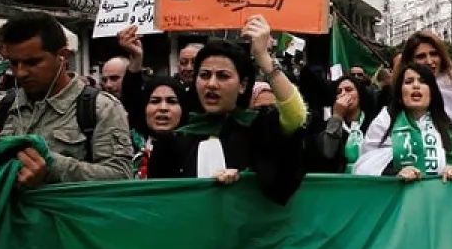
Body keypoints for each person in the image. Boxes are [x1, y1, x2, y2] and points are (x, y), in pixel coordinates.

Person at [146, 18, 308, 204]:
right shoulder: (173, 141)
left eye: (223, 76)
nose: (212, 84)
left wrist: (263, 57)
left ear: (242, 85)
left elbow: (296, 116)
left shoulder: (257, 129)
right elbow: (159, 206)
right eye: (205, 75)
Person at [0, 13, 134, 183]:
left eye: (33, 62)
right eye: (13, 63)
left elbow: (121, 177)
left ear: (62, 56)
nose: (21, 72)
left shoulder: (101, 108)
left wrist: (52, 167)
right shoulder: (0, 108)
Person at [371, 61, 452, 183]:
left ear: (432, 92)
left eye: (422, 81)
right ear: (400, 92)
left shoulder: (449, 125)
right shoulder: (385, 121)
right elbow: (367, 165)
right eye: (409, 82)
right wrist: (395, 173)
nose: (416, 86)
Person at [314, 76, 371, 174]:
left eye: (349, 90)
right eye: (338, 92)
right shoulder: (328, 125)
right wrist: (337, 116)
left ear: (359, 94)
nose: (343, 94)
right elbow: (327, 153)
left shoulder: (373, 122)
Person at [132, 75, 184, 179]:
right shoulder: (126, 145)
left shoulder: (196, 147)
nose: (163, 108)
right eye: (155, 101)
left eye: (172, 101)